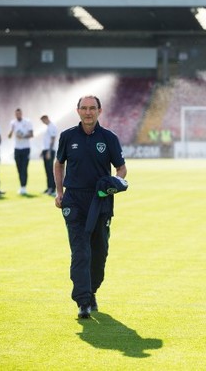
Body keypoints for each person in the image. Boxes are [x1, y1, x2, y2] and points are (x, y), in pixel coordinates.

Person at [54, 95, 128, 319]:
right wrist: (59, 192)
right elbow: (59, 163)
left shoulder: (109, 138)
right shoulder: (67, 136)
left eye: (92, 108)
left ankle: (92, 290)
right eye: (84, 108)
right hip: (74, 200)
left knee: (99, 252)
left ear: (100, 111)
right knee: (80, 251)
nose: (88, 112)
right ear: (78, 111)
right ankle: (83, 301)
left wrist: (114, 184)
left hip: (100, 199)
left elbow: (121, 169)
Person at [8, 108, 33, 195]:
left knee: (24, 168)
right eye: (16, 114)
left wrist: (22, 136)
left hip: (26, 148)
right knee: (19, 168)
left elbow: (31, 134)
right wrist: (11, 130)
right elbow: (9, 136)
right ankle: (21, 185)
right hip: (17, 148)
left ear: (21, 114)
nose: (18, 115)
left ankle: (24, 187)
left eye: (19, 113)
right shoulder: (13, 123)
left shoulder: (27, 122)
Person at [40, 115, 58, 196]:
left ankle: (53, 188)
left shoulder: (52, 126)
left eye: (43, 120)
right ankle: (49, 187)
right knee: (47, 170)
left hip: (49, 151)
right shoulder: (47, 127)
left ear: (46, 118)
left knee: (50, 170)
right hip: (46, 150)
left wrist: (49, 151)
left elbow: (53, 139)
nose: (43, 122)